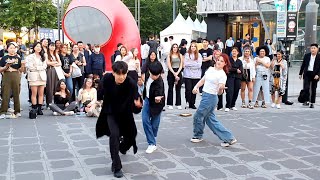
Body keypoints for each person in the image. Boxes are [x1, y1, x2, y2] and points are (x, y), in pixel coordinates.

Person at [95, 61, 142, 178]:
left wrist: (138, 105)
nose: (121, 77)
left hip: (125, 114)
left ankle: (121, 148)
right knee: (114, 135)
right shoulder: (106, 79)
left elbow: (136, 103)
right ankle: (116, 166)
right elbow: (99, 94)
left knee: (132, 136)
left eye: (124, 74)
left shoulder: (131, 83)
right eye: (118, 74)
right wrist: (97, 101)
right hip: (111, 112)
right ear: (113, 73)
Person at [191, 53, 237, 147]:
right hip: (205, 95)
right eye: (218, 60)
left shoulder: (222, 75)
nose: (219, 62)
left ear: (225, 64)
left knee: (198, 116)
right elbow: (203, 80)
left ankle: (198, 136)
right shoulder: (210, 69)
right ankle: (229, 138)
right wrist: (196, 87)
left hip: (211, 97)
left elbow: (220, 93)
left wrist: (221, 88)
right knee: (210, 119)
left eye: (222, 61)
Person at [142, 61, 165, 154]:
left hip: (157, 105)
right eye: (153, 74)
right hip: (147, 101)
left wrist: (158, 98)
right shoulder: (148, 74)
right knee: (145, 120)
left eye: (157, 75)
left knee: (154, 124)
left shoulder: (159, 83)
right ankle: (152, 143)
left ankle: (153, 136)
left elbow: (159, 94)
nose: (154, 77)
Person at [0, 43, 25, 118]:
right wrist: (6, 67)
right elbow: (0, 69)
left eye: (14, 48)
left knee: (16, 93)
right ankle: (3, 111)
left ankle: (17, 111)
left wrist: (23, 65)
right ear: (7, 49)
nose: (12, 49)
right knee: (5, 93)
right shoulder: (4, 58)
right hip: (7, 75)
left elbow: (21, 70)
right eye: (10, 48)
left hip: (15, 75)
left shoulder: (18, 58)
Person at [26, 42, 47, 116]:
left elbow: (45, 66)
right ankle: (34, 107)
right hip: (33, 76)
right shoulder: (30, 57)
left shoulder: (43, 56)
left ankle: (39, 108)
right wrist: (39, 67)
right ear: (34, 47)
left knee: (41, 93)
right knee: (34, 93)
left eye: (40, 47)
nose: (39, 48)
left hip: (42, 76)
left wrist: (37, 67)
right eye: (37, 46)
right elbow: (30, 66)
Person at [299, 43, 320, 108]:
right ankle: (307, 100)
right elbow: (303, 65)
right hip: (307, 73)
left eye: (314, 48)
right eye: (311, 48)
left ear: (317, 49)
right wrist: (300, 73)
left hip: (315, 74)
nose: (313, 49)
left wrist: (318, 75)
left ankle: (312, 102)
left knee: (313, 89)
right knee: (306, 88)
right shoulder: (307, 56)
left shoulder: (319, 57)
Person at [183, 42, 202, 109]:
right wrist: (194, 63)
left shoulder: (199, 55)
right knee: (188, 89)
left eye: (194, 46)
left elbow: (199, 65)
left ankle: (192, 103)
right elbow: (185, 64)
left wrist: (191, 63)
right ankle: (187, 102)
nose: (193, 47)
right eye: (192, 46)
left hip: (196, 75)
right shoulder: (187, 55)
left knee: (194, 89)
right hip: (188, 75)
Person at [166, 43, 183, 110]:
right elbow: (169, 65)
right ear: (172, 48)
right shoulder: (169, 55)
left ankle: (178, 103)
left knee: (178, 88)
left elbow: (181, 65)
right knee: (170, 88)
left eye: (176, 47)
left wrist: (177, 73)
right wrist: (174, 73)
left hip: (178, 71)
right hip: (171, 72)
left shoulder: (180, 55)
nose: (175, 48)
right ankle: (170, 104)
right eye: (174, 47)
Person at [225, 47, 243, 112]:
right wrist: (235, 70)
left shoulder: (239, 61)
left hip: (238, 78)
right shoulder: (229, 60)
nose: (234, 52)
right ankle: (227, 105)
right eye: (233, 51)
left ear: (238, 53)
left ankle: (233, 105)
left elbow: (241, 70)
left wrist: (236, 70)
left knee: (236, 91)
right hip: (230, 77)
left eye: (235, 51)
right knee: (230, 91)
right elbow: (228, 68)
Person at [46, 42, 62, 107]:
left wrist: (53, 63)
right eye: (51, 46)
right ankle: (49, 102)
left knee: (56, 86)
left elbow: (60, 63)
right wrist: (55, 63)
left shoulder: (56, 54)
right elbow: (47, 63)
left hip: (56, 70)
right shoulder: (46, 54)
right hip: (50, 70)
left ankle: (56, 102)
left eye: (53, 46)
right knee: (50, 86)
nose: (52, 47)